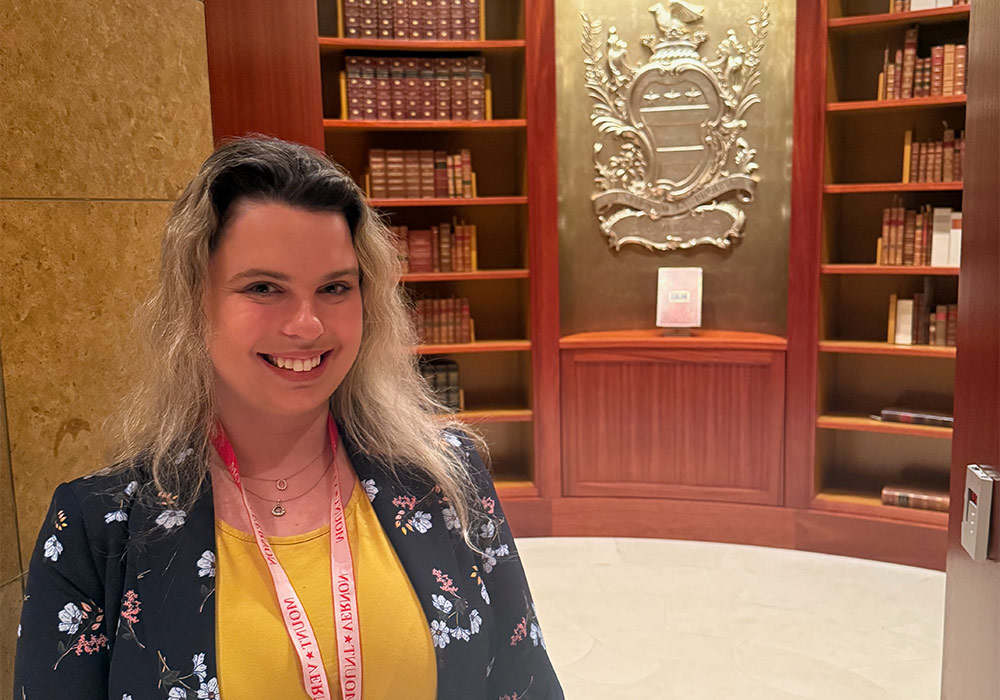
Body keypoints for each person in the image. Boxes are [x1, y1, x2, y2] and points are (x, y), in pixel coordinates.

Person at [14, 137, 563, 700]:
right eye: (263, 288)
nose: (307, 325)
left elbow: (525, 682)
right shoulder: (98, 526)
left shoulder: (445, 475)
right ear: (194, 302)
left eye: (334, 288)